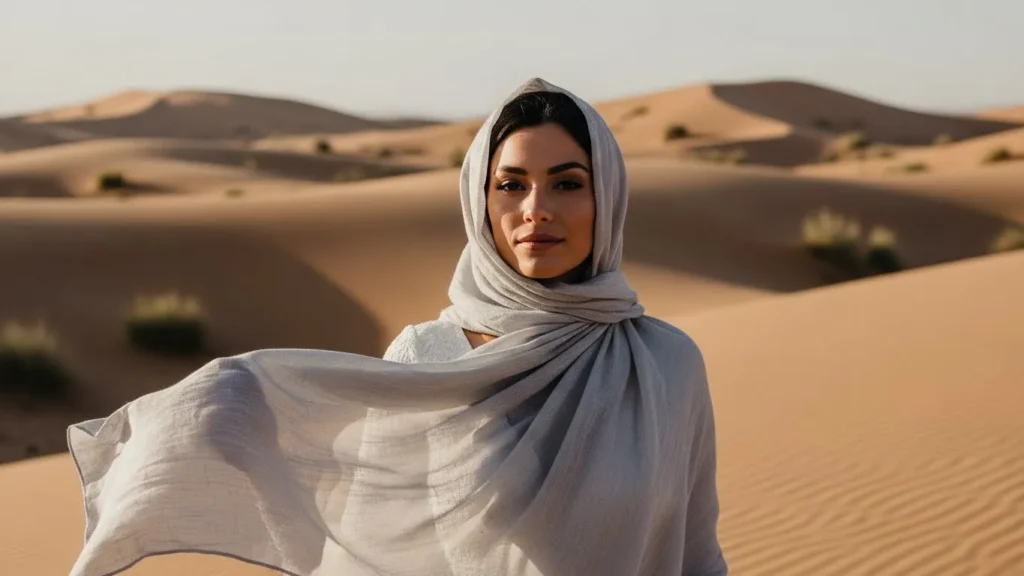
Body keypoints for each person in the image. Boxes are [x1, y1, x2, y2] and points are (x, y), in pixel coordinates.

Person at [67, 78, 727, 576]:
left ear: (605, 196)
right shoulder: (427, 355)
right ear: (480, 199)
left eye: (566, 183)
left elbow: (699, 554)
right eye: (511, 185)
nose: (535, 210)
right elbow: (372, 541)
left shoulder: (666, 363)